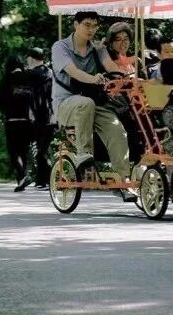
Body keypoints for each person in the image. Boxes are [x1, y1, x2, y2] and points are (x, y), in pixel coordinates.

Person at [51, 11, 133, 198]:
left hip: (94, 105)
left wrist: (132, 78)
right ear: (75, 24)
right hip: (65, 105)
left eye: (94, 26)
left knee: (118, 131)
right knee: (85, 103)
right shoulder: (60, 47)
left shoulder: (97, 48)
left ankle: (124, 181)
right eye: (87, 24)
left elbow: (111, 66)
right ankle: (83, 154)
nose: (91, 29)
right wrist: (94, 78)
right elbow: (72, 71)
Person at [0, 54, 34, 191]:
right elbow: (33, 99)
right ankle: (21, 181)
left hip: (12, 120)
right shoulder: (28, 78)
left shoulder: (6, 79)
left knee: (14, 152)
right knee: (23, 151)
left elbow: (0, 100)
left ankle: (22, 176)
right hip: (26, 121)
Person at [26, 46, 54, 188]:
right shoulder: (51, 72)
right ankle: (41, 180)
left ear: (31, 58)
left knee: (40, 148)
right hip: (51, 114)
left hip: (38, 114)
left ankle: (49, 179)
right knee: (44, 147)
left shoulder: (30, 75)